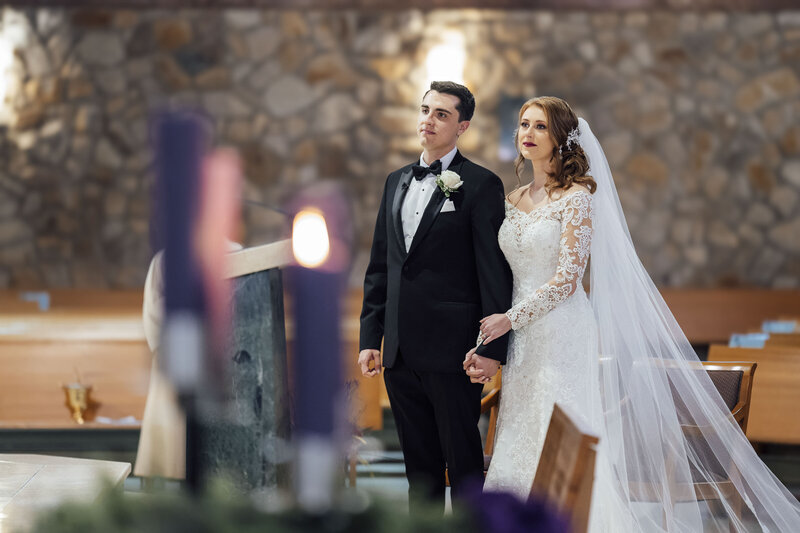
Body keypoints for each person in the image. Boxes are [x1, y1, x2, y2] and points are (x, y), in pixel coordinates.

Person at [465, 96, 800, 531]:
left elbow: (568, 280)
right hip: (521, 335)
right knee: (519, 427)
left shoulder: (577, 197)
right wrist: (494, 335)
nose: (527, 133)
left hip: (561, 329)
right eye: (524, 124)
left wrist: (509, 318)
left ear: (561, 137)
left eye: (541, 126)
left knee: (555, 429)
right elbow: (501, 274)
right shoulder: (512, 199)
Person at [358, 81, 512, 513]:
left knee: (463, 466)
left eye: (442, 114)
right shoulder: (395, 181)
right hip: (399, 352)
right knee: (419, 472)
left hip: (454, 352)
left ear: (463, 126)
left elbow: (492, 272)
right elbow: (381, 266)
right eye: (425, 110)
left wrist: (491, 349)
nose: (429, 120)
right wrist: (371, 337)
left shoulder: (481, 184)